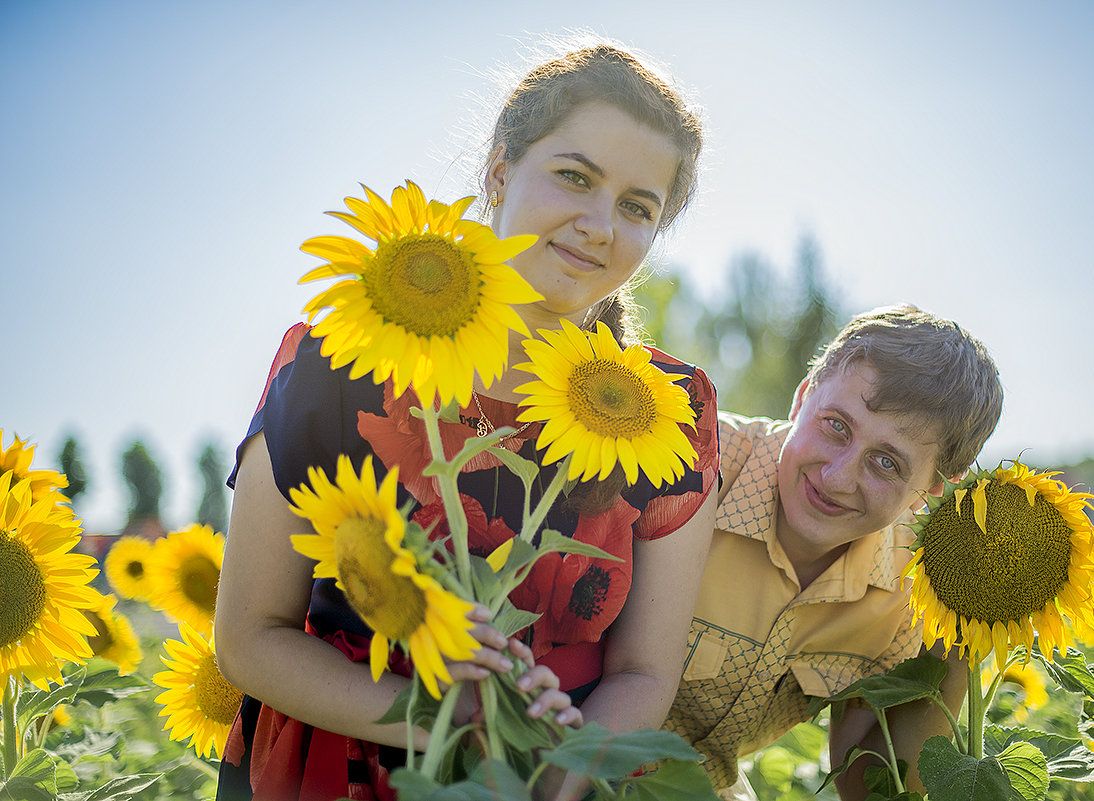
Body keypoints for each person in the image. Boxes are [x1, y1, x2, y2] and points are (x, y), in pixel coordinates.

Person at [213, 39, 720, 801]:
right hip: (328, 776)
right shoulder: (343, 359)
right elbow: (249, 638)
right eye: (574, 177)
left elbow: (644, 670)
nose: (598, 224)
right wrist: (453, 720)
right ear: (499, 170)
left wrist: (564, 768)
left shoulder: (669, 413)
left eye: (637, 207)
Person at [664, 304, 1004, 801]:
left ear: (934, 485)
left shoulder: (915, 590)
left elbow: (865, 787)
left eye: (886, 463)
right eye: (836, 426)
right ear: (802, 397)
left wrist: (961, 637)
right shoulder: (689, 466)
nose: (838, 478)